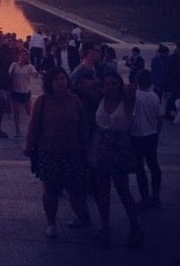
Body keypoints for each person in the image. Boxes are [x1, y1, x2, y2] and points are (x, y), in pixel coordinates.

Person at [24, 67, 93, 239]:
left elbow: (83, 127)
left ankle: (84, 218)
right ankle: (51, 222)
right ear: (49, 82)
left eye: (63, 78)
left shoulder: (75, 101)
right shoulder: (42, 101)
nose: (61, 82)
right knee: (50, 190)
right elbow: (34, 126)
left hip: (73, 152)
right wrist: (29, 145)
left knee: (76, 190)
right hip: (49, 153)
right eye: (56, 79)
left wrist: (86, 149)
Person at [88, 71, 143, 247]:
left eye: (113, 83)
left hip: (119, 149)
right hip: (100, 148)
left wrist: (122, 86)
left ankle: (135, 227)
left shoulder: (126, 101)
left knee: (123, 190)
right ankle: (105, 227)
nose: (110, 87)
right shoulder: (101, 99)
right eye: (107, 84)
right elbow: (89, 87)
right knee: (102, 191)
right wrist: (101, 84)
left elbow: (133, 89)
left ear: (120, 85)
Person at [129, 69, 163, 209]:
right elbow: (159, 118)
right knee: (153, 165)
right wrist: (157, 133)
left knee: (139, 168)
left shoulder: (135, 96)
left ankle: (144, 197)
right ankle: (156, 195)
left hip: (137, 135)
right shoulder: (154, 96)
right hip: (151, 134)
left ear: (137, 82)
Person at [9, 48, 38, 138]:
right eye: (22, 54)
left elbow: (34, 74)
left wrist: (36, 73)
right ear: (19, 56)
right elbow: (9, 74)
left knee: (29, 111)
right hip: (15, 90)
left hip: (25, 91)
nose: (23, 56)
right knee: (16, 112)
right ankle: (17, 130)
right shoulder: (14, 65)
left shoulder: (29, 67)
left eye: (25, 55)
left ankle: (34, 129)